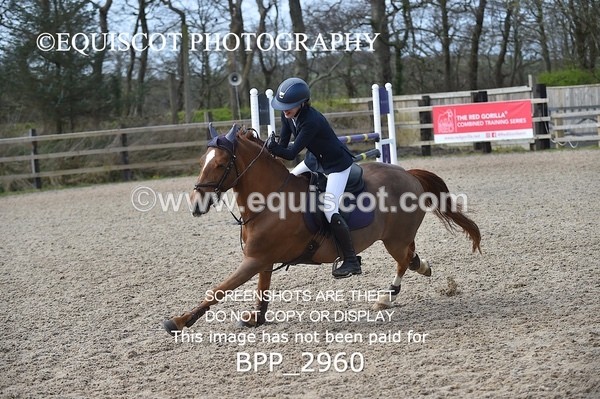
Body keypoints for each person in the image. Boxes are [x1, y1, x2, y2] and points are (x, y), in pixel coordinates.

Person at [266, 77, 361, 278]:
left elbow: (291, 153)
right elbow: (283, 145)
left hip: (336, 165)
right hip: (314, 160)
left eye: (289, 106)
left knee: (329, 207)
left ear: (302, 103)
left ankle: (352, 260)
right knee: (287, 183)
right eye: (283, 106)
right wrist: (272, 148)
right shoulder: (287, 116)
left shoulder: (311, 121)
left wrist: (274, 148)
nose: (285, 110)